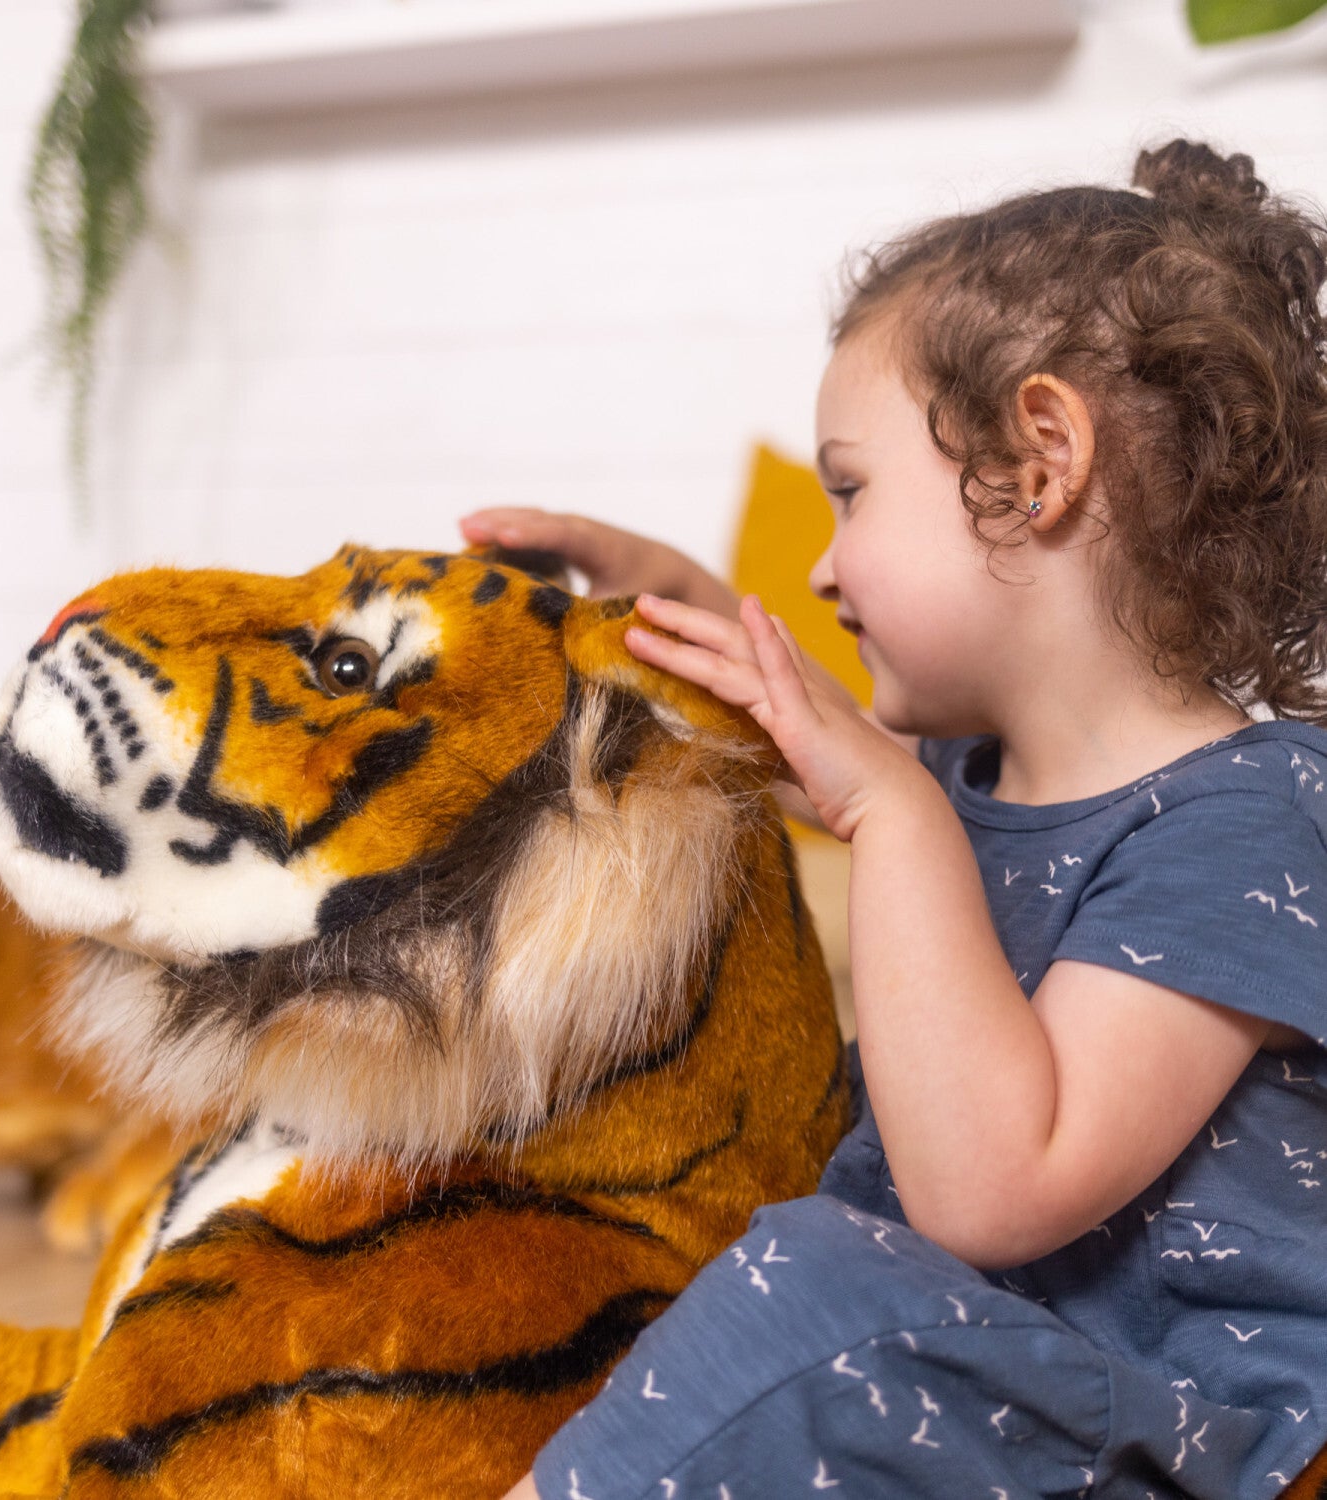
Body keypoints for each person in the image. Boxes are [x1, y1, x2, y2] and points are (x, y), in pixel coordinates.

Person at [467, 140, 1327, 1498]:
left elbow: (999, 1190)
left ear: (1038, 465)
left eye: (851, 491)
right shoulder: (979, 773)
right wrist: (669, 608)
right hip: (981, 1380)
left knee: (805, 1280)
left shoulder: (1253, 820)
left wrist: (897, 812)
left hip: (1187, 1438)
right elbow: (809, 742)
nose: (819, 560)